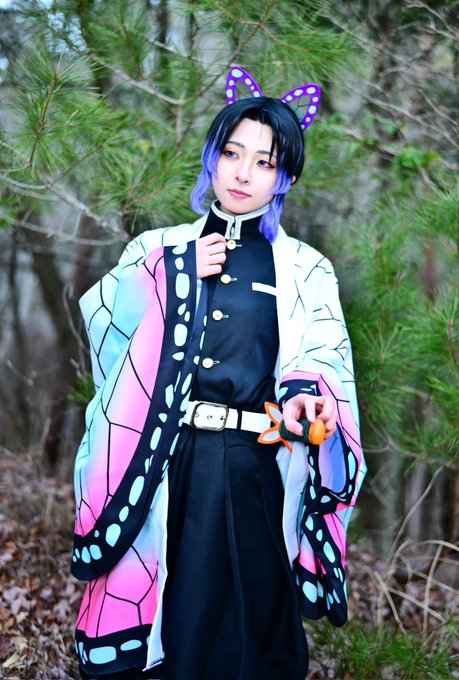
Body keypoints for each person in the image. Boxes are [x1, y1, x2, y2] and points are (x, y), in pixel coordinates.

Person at [71, 66, 366, 680]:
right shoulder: (159, 247)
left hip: (257, 463)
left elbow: (323, 351)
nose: (243, 173)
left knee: (258, 627)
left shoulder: (306, 268)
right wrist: (174, 273)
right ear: (211, 156)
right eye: (232, 153)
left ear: (286, 177)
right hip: (166, 459)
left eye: (264, 162)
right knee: (178, 617)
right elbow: (105, 327)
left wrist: (309, 398)